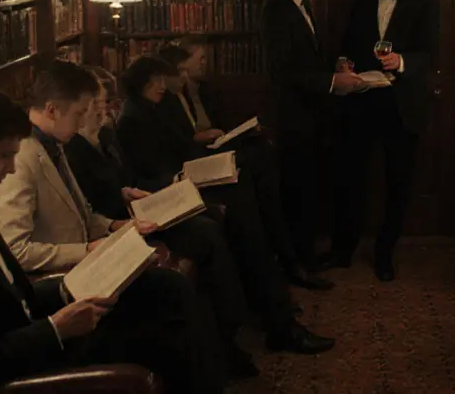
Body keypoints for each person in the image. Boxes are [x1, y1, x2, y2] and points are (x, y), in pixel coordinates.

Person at [0, 87, 224, 394]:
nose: (11, 169)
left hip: (32, 325)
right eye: (5, 155)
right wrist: (56, 328)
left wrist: (68, 290)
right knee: (167, 336)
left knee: (165, 285)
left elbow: (10, 292)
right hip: (23, 356)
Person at [116, 54, 335, 354]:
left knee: (248, 174)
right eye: (154, 81)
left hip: (182, 182)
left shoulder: (157, 107)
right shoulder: (131, 118)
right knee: (241, 204)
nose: (162, 86)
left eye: (160, 79)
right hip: (165, 197)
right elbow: (147, 174)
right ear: (139, 83)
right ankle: (277, 311)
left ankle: (278, 287)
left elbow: (182, 147)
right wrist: (184, 175)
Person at [64, 65, 253, 376]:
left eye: (105, 104)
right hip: (120, 226)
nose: (103, 111)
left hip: (138, 211)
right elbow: (89, 204)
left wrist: (129, 191)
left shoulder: (105, 134)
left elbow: (123, 179)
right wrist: (119, 216)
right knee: (203, 233)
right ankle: (229, 333)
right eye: (96, 105)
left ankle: (231, 328)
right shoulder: (73, 147)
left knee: (209, 219)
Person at [157, 40, 332, 290]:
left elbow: (214, 124)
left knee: (262, 153)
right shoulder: (169, 99)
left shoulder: (201, 90)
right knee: (255, 174)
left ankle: (284, 257)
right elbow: (178, 143)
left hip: (213, 149)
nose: (192, 71)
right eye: (194, 63)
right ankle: (284, 261)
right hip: (196, 162)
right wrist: (198, 139)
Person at [325, 0, 439, 281]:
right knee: (350, 178)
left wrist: (400, 61)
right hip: (362, 102)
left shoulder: (424, 3)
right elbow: (347, 43)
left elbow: (430, 53)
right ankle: (343, 249)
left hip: (402, 106)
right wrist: (344, 64)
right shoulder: (360, 0)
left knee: (398, 183)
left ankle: (384, 253)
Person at [262, 0, 365, 270]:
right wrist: (333, 84)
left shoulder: (300, 4)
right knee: (297, 194)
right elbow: (285, 70)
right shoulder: (276, 9)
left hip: (312, 116)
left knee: (309, 192)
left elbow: (307, 59)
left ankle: (305, 258)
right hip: (294, 118)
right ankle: (298, 264)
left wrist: (334, 71)